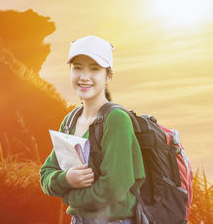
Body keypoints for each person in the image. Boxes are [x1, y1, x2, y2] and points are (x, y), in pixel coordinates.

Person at [39, 35, 145, 224]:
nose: (84, 77)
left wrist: (70, 197)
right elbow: (46, 173)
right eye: (77, 67)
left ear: (108, 76)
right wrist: (66, 179)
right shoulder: (70, 120)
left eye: (94, 69)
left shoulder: (117, 120)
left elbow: (113, 187)